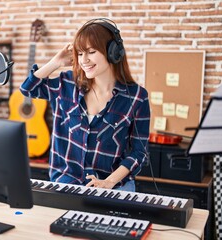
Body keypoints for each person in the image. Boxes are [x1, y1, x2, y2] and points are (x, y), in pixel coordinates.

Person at [20, 18, 150, 192]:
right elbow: (28, 89)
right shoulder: (66, 84)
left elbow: (138, 152)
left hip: (113, 187)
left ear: (113, 52)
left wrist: (109, 182)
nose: (84, 60)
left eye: (91, 52)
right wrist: (55, 63)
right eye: (80, 54)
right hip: (66, 184)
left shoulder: (136, 97)